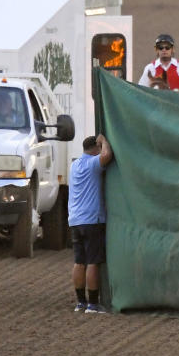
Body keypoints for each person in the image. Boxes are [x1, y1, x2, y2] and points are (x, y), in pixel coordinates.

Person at [69, 134, 115, 313]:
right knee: (93, 262)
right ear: (95, 149)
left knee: (79, 262)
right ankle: (93, 304)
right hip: (92, 220)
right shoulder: (92, 164)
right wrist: (104, 141)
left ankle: (80, 302)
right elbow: (107, 156)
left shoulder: (74, 165)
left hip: (75, 220)